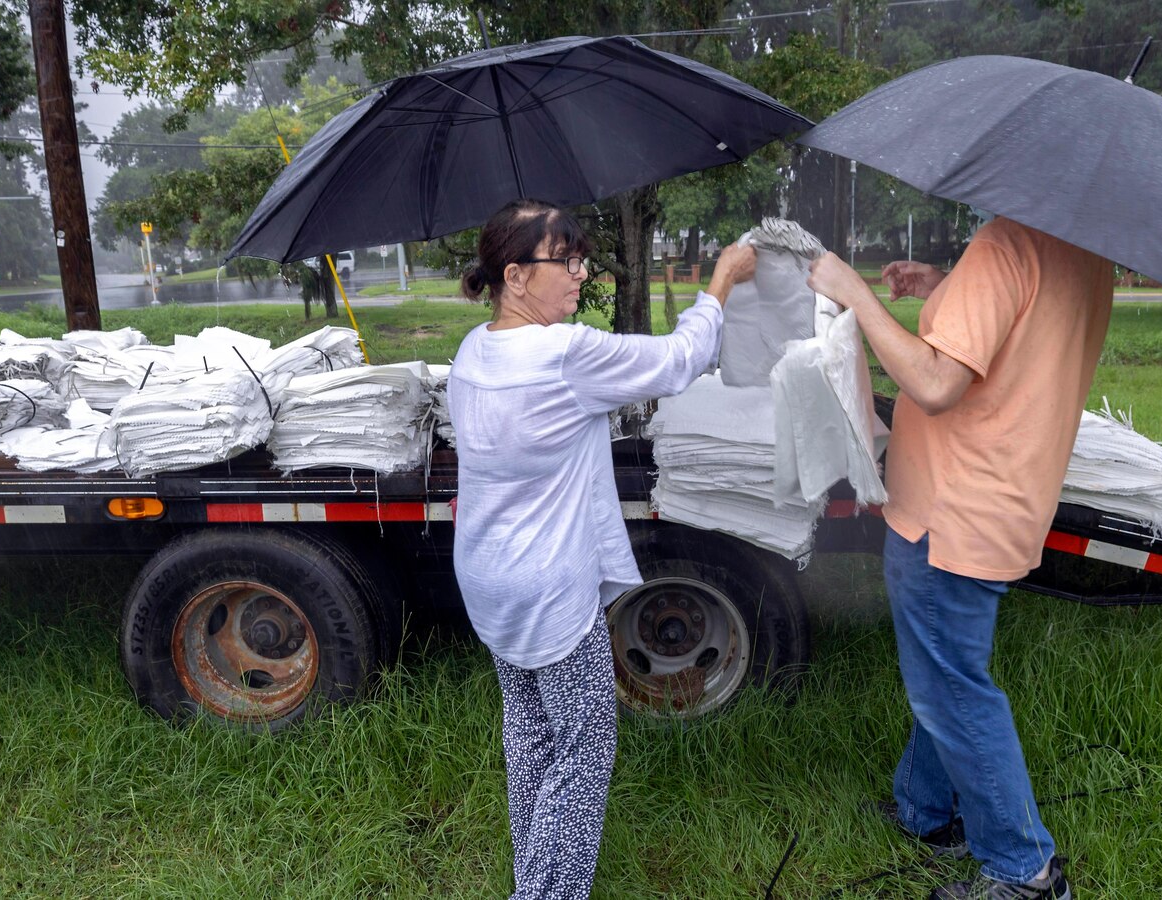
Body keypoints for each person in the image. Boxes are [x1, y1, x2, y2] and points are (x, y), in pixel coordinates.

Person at [447, 198, 755, 900]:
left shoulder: (474, 350)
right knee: (583, 754)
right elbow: (679, 361)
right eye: (570, 260)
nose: (582, 273)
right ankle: (549, 894)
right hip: (549, 588)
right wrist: (722, 283)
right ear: (518, 276)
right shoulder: (562, 355)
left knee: (530, 735)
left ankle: (534, 874)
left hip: (490, 576)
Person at [808, 215, 1113, 900]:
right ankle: (925, 810)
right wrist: (946, 288)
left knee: (952, 688)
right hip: (1003, 496)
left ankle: (1023, 869)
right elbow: (1027, 328)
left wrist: (856, 293)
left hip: (952, 510)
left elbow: (938, 383)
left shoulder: (1008, 239)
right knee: (942, 669)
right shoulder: (1084, 246)